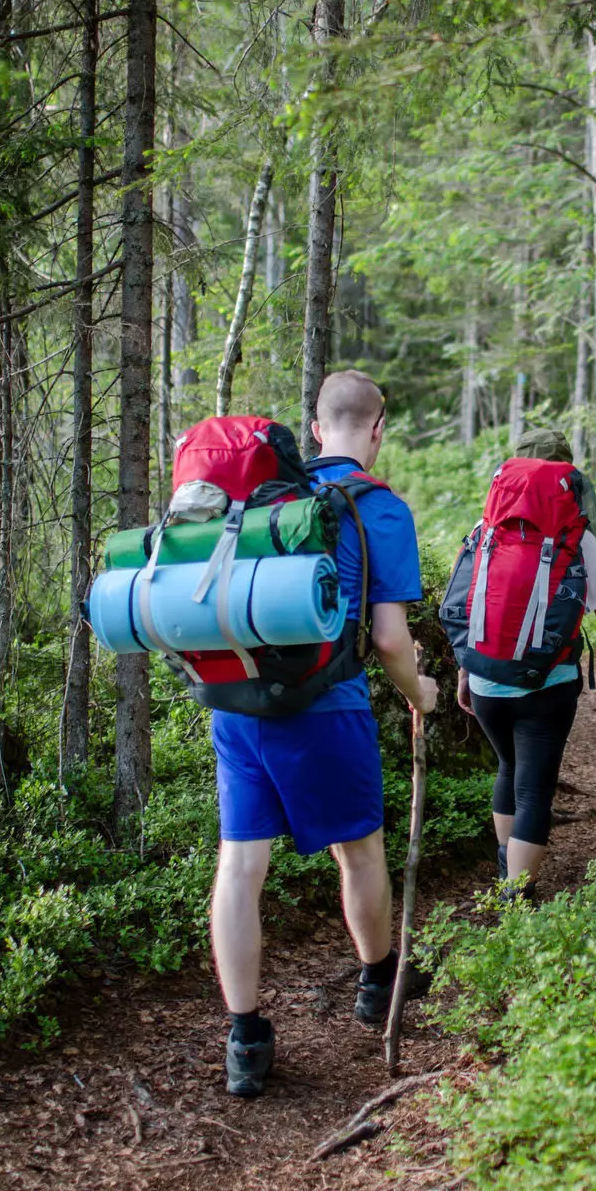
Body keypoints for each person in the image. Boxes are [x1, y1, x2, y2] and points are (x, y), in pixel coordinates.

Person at [209, 370, 438, 1098]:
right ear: (377, 429)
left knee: (241, 867)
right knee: (359, 852)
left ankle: (244, 1037)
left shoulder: (264, 498)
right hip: (324, 707)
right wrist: (421, 694)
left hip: (237, 705)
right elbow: (391, 641)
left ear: (314, 428)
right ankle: (377, 984)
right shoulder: (380, 508)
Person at [456, 427, 596, 903]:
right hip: (548, 684)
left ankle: (503, 868)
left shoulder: (484, 528)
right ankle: (518, 900)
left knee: (508, 768)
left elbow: (472, 605)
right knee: (534, 790)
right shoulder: (577, 534)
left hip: (488, 679)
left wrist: (465, 672)